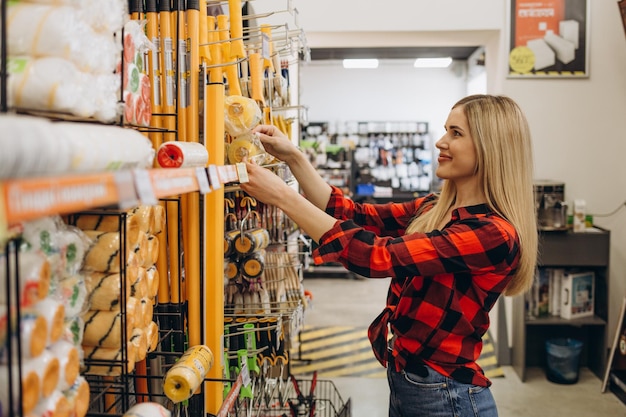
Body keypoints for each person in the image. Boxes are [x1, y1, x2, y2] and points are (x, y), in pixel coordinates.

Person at [240, 94, 538, 417]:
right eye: (446, 130)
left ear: (490, 147)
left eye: (456, 133)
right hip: (409, 383)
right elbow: (352, 213)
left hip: (447, 396)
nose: (441, 142)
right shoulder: (435, 208)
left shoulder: (492, 234)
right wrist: (294, 157)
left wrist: (283, 197)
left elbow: (374, 256)